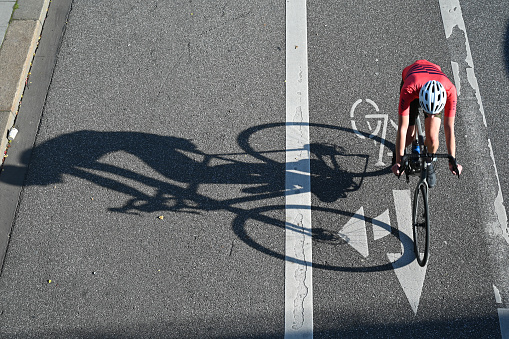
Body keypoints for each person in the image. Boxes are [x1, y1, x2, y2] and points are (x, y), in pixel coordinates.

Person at [391, 59, 463, 187]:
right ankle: (405, 147)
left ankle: (429, 163)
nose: (431, 116)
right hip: (413, 79)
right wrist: (398, 160)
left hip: (435, 86)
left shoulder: (450, 90)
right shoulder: (408, 89)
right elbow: (402, 128)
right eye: (428, 112)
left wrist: (453, 159)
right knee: (409, 135)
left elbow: (449, 128)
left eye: (433, 113)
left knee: (433, 139)